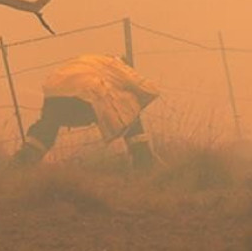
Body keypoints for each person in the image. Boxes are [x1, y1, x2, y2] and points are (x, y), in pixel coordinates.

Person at [11, 54, 159, 170]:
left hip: (54, 92)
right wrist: (137, 103)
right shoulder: (117, 64)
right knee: (131, 119)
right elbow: (147, 88)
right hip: (85, 94)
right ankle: (144, 162)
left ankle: (20, 165)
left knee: (46, 128)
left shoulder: (91, 60)